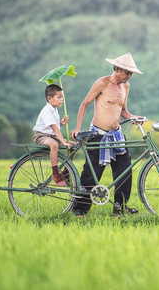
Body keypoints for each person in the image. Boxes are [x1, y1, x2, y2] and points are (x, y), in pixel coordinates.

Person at [70, 52, 144, 217]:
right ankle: (79, 210)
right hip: (98, 135)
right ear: (117, 69)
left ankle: (120, 208)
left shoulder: (126, 86)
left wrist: (134, 117)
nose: (129, 76)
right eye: (127, 72)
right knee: (91, 174)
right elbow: (85, 104)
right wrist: (77, 127)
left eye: (131, 73)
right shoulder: (102, 83)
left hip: (117, 136)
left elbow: (123, 111)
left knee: (125, 170)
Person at [33, 84, 74, 187]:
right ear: (49, 98)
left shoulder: (55, 110)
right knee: (54, 144)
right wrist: (63, 142)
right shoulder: (47, 111)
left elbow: (55, 126)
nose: (61, 100)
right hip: (41, 136)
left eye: (62, 98)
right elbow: (54, 128)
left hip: (51, 136)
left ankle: (65, 172)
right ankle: (55, 173)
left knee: (73, 146)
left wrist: (61, 123)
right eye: (59, 97)